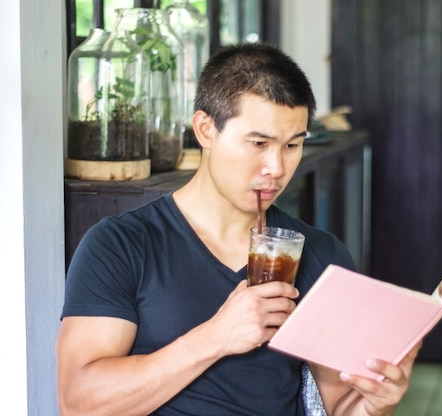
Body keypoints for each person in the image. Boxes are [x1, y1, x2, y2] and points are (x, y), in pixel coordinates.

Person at [56, 42, 420, 416]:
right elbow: (79, 404)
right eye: (259, 143)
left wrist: (375, 404)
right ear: (205, 129)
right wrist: (216, 337)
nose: (276, 168)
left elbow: (342, 407)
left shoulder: (322, 255)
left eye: (292, 145)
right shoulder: (121, 244)